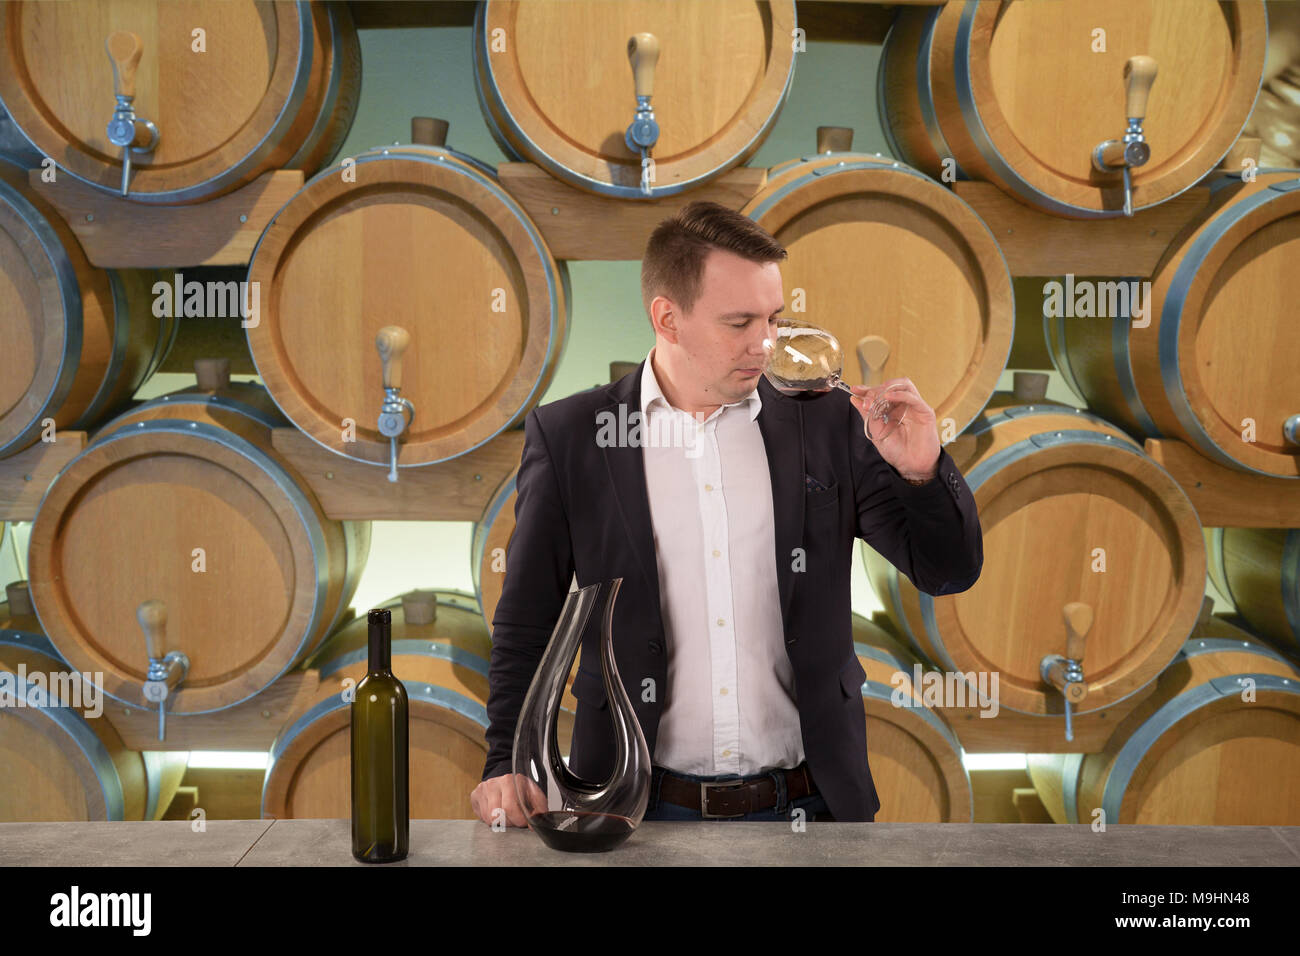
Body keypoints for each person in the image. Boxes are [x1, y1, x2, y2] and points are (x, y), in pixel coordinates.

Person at [470, 200, 982, 826]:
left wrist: (922, 471)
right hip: (632, 811)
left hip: (810, 805)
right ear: (668, 318)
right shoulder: (576, 434)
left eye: (774, 318)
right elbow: (528, 621)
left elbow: (947, 572)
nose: (764, 344)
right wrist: (506, 761)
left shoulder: (825, 423)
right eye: (739, 322)